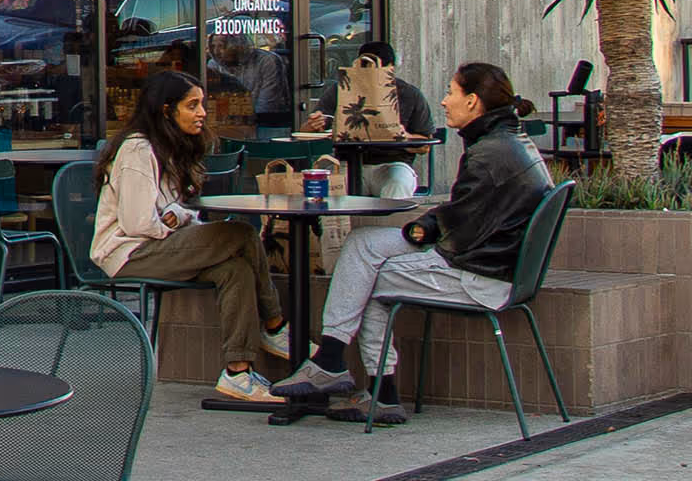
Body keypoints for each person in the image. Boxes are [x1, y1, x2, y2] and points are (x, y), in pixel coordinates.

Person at [274, 61, 548, 425]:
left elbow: (460, 223)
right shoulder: (509, 142)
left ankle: (365, 383)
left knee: (367, 279)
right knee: (361, 243)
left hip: (479, 274)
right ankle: (336, 363)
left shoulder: (488, 154)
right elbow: (467, 212)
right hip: (493, 261)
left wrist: (423, 229)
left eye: (451, 92)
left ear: (473, 101)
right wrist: (422, 228)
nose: (445, 100)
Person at [92, 69, 291, 402]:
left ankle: (237, 373)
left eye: (203, 104)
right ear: (166, 110)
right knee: (241, 233)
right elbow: (138, 223)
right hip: (128, 254)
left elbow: (173, 213)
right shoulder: (138, 150)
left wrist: (179, 217)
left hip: (159, 246)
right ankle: (274, 325)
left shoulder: (167, 147)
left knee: (236, 270)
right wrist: (177, 220)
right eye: (192, 105)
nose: (202, 113)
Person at [297, 39, 438, 198]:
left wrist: (404, 137)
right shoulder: (340, 91)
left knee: (398, 183)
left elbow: (424, 146)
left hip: (392, 163)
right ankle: (333, 223)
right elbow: (305, 132)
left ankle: (392, 223)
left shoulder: (409, 94)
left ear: (390, 68)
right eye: (365, 68)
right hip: (347, 163)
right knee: (324, 188)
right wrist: (313, 124)